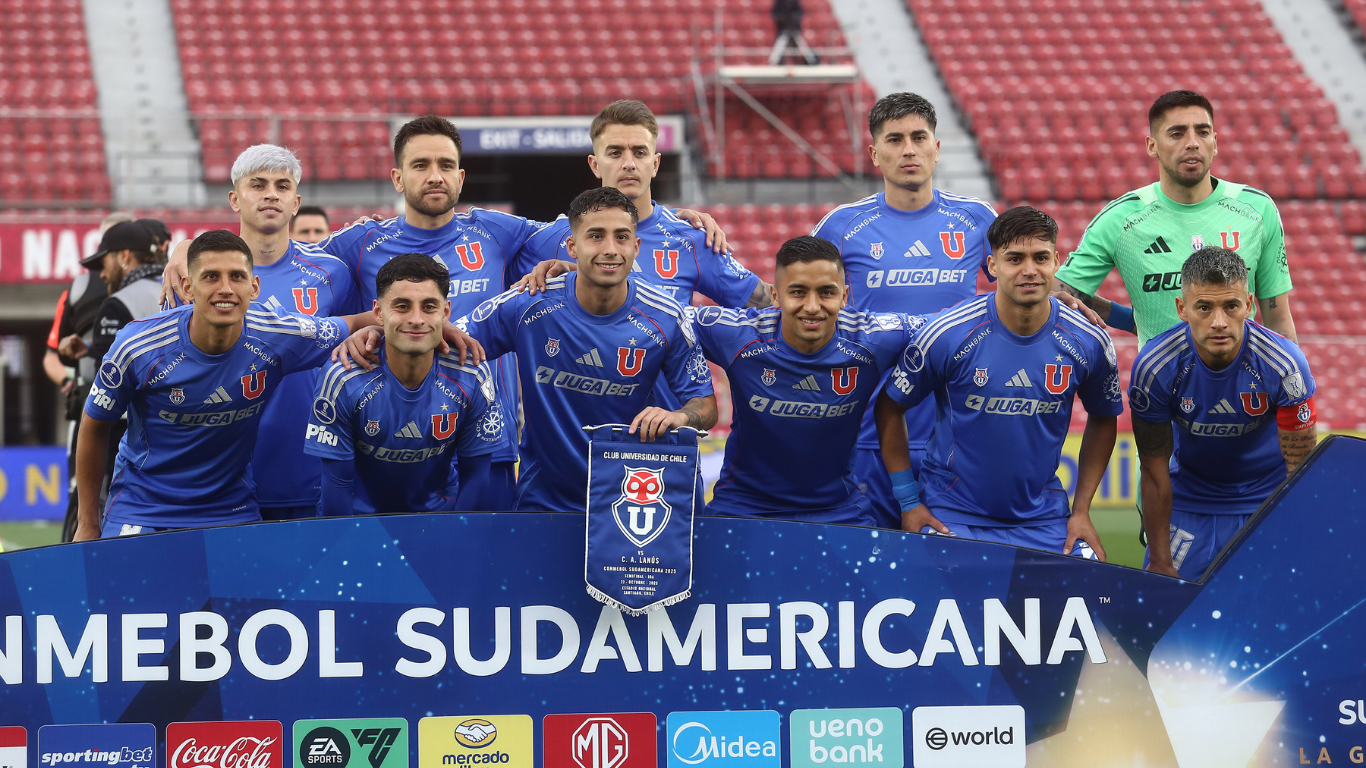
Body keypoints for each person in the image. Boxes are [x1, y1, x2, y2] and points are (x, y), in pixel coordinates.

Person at [74, 230, 357, 540]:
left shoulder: (278, 334)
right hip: (143, 507)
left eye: (236, 277)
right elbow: (94, 424)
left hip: (229, 508)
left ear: (254, 288)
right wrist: (87, 524)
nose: (225, 289)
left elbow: (361, 321)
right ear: (187, 287)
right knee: (128, 588)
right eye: (210, 277)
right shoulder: (138, 345)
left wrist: (363, 335)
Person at [874, 206, 1120, 557]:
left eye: (1040, 257)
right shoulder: (948, 334)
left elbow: (1103, 415)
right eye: (1015, 258)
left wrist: (1081, 511)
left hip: (1044, 519)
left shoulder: (1088, 339)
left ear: (1056, 262)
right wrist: (909, 501)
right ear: (992, 265)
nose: (1029, 270)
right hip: (954, 516)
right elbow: (889, 406)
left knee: (1090, 597)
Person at [454, 187, 717, 512]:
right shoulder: (528, 303)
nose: (610, 249)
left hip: (632, 504)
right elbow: (445, 339)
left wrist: (679, 416)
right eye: (595, 236)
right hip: (544, 504)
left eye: (621, 237)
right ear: (572, 247)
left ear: (636, 247)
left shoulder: (666, 316)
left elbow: (705, 407)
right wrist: (376, 327)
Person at [809, 92, 998, 529]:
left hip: (958, 436)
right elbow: (801, 309)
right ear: (875, 154)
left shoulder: (977, 219)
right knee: (870, 570)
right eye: (894, 140)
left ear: (936, 147)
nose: (908, 149)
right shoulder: (840, 225)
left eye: (918, 137)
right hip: (869, 434)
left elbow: (1018, 293)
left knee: (953, 572)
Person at [515, 100, 765, 411]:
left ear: (656, 163)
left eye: (640, 152)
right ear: (595, 164)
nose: (629, 163)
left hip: (664, 437)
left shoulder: (692, 238)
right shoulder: (553, 237)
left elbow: (763, 303)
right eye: (616, 152)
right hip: (576, 438)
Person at [166, 145, 365, 520]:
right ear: (234, 199)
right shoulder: (196, 278)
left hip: (312, 471)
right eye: (257, 185)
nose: (271, 193)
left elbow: (356, 357)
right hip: (220, 480)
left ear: (296, 202)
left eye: (282, 186)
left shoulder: (333, 274)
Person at [694, 236, 926, 524]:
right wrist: (665, 219)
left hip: (839, 511)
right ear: (775, 296)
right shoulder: (736, 334)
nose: (813, 306)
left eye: (826, 292)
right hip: (743, 507)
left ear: (844, 296)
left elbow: (952, 329)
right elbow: (657, 316)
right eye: (798, 292)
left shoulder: (874, 339)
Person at [1054, 90, 1298, 346]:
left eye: (1202, 133)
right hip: (1163, 385)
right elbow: (1057, 294)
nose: (1192, 142)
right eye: (1177, 133)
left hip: (1243, 383)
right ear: (1152, 145)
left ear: (1215, 143)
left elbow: (1278, 318)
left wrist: (1294, 381)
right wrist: (1131, 321)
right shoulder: (1121, 220)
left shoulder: (1257, 210)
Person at [1130, 247, 1316, 580]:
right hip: (1189, 503)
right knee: (1167, 622)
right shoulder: (1155, 367)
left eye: (1230, 306)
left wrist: (1296, 544)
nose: (1219, 322)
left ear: (1249, 305)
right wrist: (1159, 559)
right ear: (1182, 308)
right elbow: (1153, 469)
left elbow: (1299, 471)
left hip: (1266, 504)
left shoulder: (1284, 366)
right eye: (1204, 307)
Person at [306, 255, 501, 515]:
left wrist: (455, 536)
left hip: (439, 517)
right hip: (360, 521)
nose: (417, 319)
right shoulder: (342, 377)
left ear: (445, 312)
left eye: (429, 306)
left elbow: (476, 476)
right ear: (378, 312)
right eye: (402, 306)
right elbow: (337, 483)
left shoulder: (471, 373)